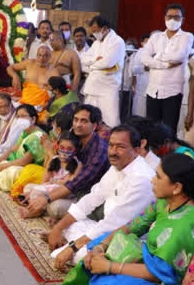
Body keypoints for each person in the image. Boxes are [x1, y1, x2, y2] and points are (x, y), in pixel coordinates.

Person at [49, 153, 194, 285]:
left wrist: (109, 267)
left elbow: (159, 274)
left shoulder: (188, 224)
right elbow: (134, 225)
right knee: (94, 247)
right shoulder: (165, 202)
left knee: (108, 284)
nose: (153, 179)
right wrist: (101, 247)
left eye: (158, 177)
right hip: (147, 260)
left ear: (176, 188)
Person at [48, 125, 155, 270]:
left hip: (125, 238)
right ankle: (72, 242)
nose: (113, 152)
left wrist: (72, 247)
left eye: (120, 147)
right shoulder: (117, 166)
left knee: (72, 255)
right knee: (72, 224)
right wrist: (58, 228)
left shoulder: (141, 179)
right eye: (111, 145)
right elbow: (92, 197)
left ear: (136, 150)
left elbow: (116, 223)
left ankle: (74, 246)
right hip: (104, 229)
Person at [24, 104, 110, 219]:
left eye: (84, 121)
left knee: (55, 207)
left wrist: (46, 198)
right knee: (29, 188)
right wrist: (43, 189)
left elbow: (76, 183)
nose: (78, 124)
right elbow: (55, 164)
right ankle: (39, 207)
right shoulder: (73, 136)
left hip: (84, 195)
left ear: (94, 126)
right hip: (64, 186)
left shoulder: (99, 150)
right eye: (76, 120)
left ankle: (40, 208)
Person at [132, 4, 194, 132]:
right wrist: (165, 64)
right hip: (153, 89)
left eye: (177, 17)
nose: (172, 20)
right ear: (164, 18)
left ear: (183, 19)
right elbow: (144, 57)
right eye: (169, 16)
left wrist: (156, 57)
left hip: (173, 90)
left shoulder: (187, 36)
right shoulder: (156, 36)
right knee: (151, 128)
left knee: (168, 129)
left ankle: (167, 153)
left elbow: (179, 57)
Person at [0, 104, 47, 192]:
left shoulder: (37, 137)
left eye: (23, 116)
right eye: (18, 117)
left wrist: (1, 166)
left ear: (33, 119)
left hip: (28, 167)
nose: (20, 120)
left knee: (12, 172)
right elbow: (13, 149)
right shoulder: (25, 131)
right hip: (16, 161)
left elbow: (23, 162)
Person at [82, 16, 125, 127]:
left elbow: (107, 63)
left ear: (104, 28)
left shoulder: (117, 41)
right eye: (92, 31)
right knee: (88, 118)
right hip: (93, 86)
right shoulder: (96, 43)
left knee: (110, 120)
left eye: (96, 30)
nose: (94, 33)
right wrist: (95, 61)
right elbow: (84, 58)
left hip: (108, 88)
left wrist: (91, 66)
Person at [20, 132, 82, 205]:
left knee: (54, 204)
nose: (65, 151)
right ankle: (36, 203)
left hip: (62, 194)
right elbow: (44, 181)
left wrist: (50, 184)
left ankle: (33, 206)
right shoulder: (54, 160)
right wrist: (38, 189)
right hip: (48, 188)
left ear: (76, 150)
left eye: (69, 149)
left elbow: (67, 184)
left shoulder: (78, 164)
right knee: (28, 187)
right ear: (57, 147)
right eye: (62, 148)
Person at [7, 45, 61, 122]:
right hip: (24, 104)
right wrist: (15, 76)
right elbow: (10, 68)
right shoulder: (29, 63)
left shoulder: (54, 72)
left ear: (50, 57)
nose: (42, 58)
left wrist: (44, 106)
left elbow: (58, 95)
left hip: (41, 108)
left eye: (46, 55)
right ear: (36, 55)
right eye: (40, 55)